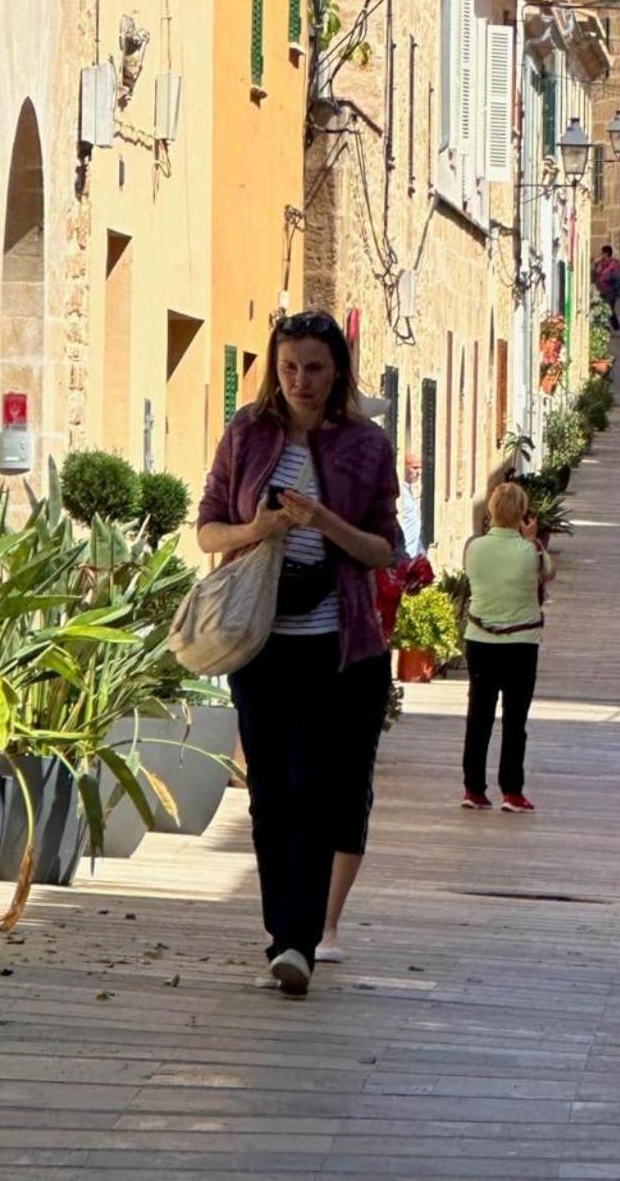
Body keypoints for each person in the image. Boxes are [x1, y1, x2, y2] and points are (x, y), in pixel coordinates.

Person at [197, 310, 398, 1000]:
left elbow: (383, 550)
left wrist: (321, 521)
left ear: (336, 369)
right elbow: (208, 532)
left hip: (336, 648)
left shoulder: (366, 446)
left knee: (315, 790)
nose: (300, 381)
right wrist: (264, 526)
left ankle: (296, 943)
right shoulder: (248, 436)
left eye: (314, 367)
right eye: (288, 368)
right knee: (269, 796)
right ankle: (280, 930)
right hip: (258, 640)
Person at [461, 481, 555, 812]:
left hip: (480, 640)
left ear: (491, 511)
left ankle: (473, 788)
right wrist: (531, 540)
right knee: (515, 719)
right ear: (521, 514)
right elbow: (548, 573)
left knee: (479, 715)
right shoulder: (529, 551)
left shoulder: (473, 547)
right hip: (521, 642)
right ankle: (512, 791)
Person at [398, 450, 425, 559]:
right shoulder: (400, 492)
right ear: (404, 467)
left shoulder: (407, 490)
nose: (419, 472)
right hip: (405, 550)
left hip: (413, 550)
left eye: (420, 468)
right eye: (414, 468)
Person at [593, 244, 620, 330]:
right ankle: (611, 326)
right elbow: (595, 274)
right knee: (603, 308)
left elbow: (617, 278)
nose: (601, 255)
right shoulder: (600, 264)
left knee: (608, 308)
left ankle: (611, 326)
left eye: (602, 253)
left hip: (611, 291)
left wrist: (615, 290)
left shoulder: (614, 265)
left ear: (606, 254)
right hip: (601, 290)